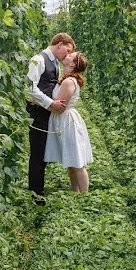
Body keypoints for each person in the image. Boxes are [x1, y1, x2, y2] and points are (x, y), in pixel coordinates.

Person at [26, 33, 75, 203]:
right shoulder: (39, 60)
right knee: (38, 153)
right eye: (67, 51)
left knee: (43, 152)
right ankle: (36, 194)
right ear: (59, 44)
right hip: (38, 112)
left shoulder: (54, 63)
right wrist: (50, 103)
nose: (67, 56)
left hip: (45, 112)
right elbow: (29, 88)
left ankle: (38, 189)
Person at [44, 51, 92, 192]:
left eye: (71, 56)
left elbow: (58, 107)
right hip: (64, 120)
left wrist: (38, 101)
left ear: (72, 63)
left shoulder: (68, 82)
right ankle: (75, 193)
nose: (67, 55)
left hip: (66, 122)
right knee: (72, 161)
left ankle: (84, 195)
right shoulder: (66, 79)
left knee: (77, 162)